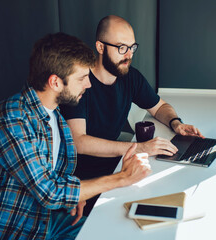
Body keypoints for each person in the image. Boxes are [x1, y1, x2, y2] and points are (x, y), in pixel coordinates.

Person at [0, 32, 151, 240]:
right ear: (55, 82)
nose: (88, 84)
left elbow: (51, 175)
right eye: (82, 78)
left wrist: (75, 195)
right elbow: (49, 192)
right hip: (8, 230)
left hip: (44, 220)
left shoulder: (54, 115)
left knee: (116, 233)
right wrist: (121, 178)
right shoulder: (12, 121)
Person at [60, 15, 204, 215]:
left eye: (132, 47)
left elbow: (159, 107)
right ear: (100, 47)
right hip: (83, 180)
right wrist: (139, 148)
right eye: (121, 48)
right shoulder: (80, 83)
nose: (128, 55)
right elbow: (78, 142)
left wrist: (176, 123)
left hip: (115, 165)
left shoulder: (129, 75)